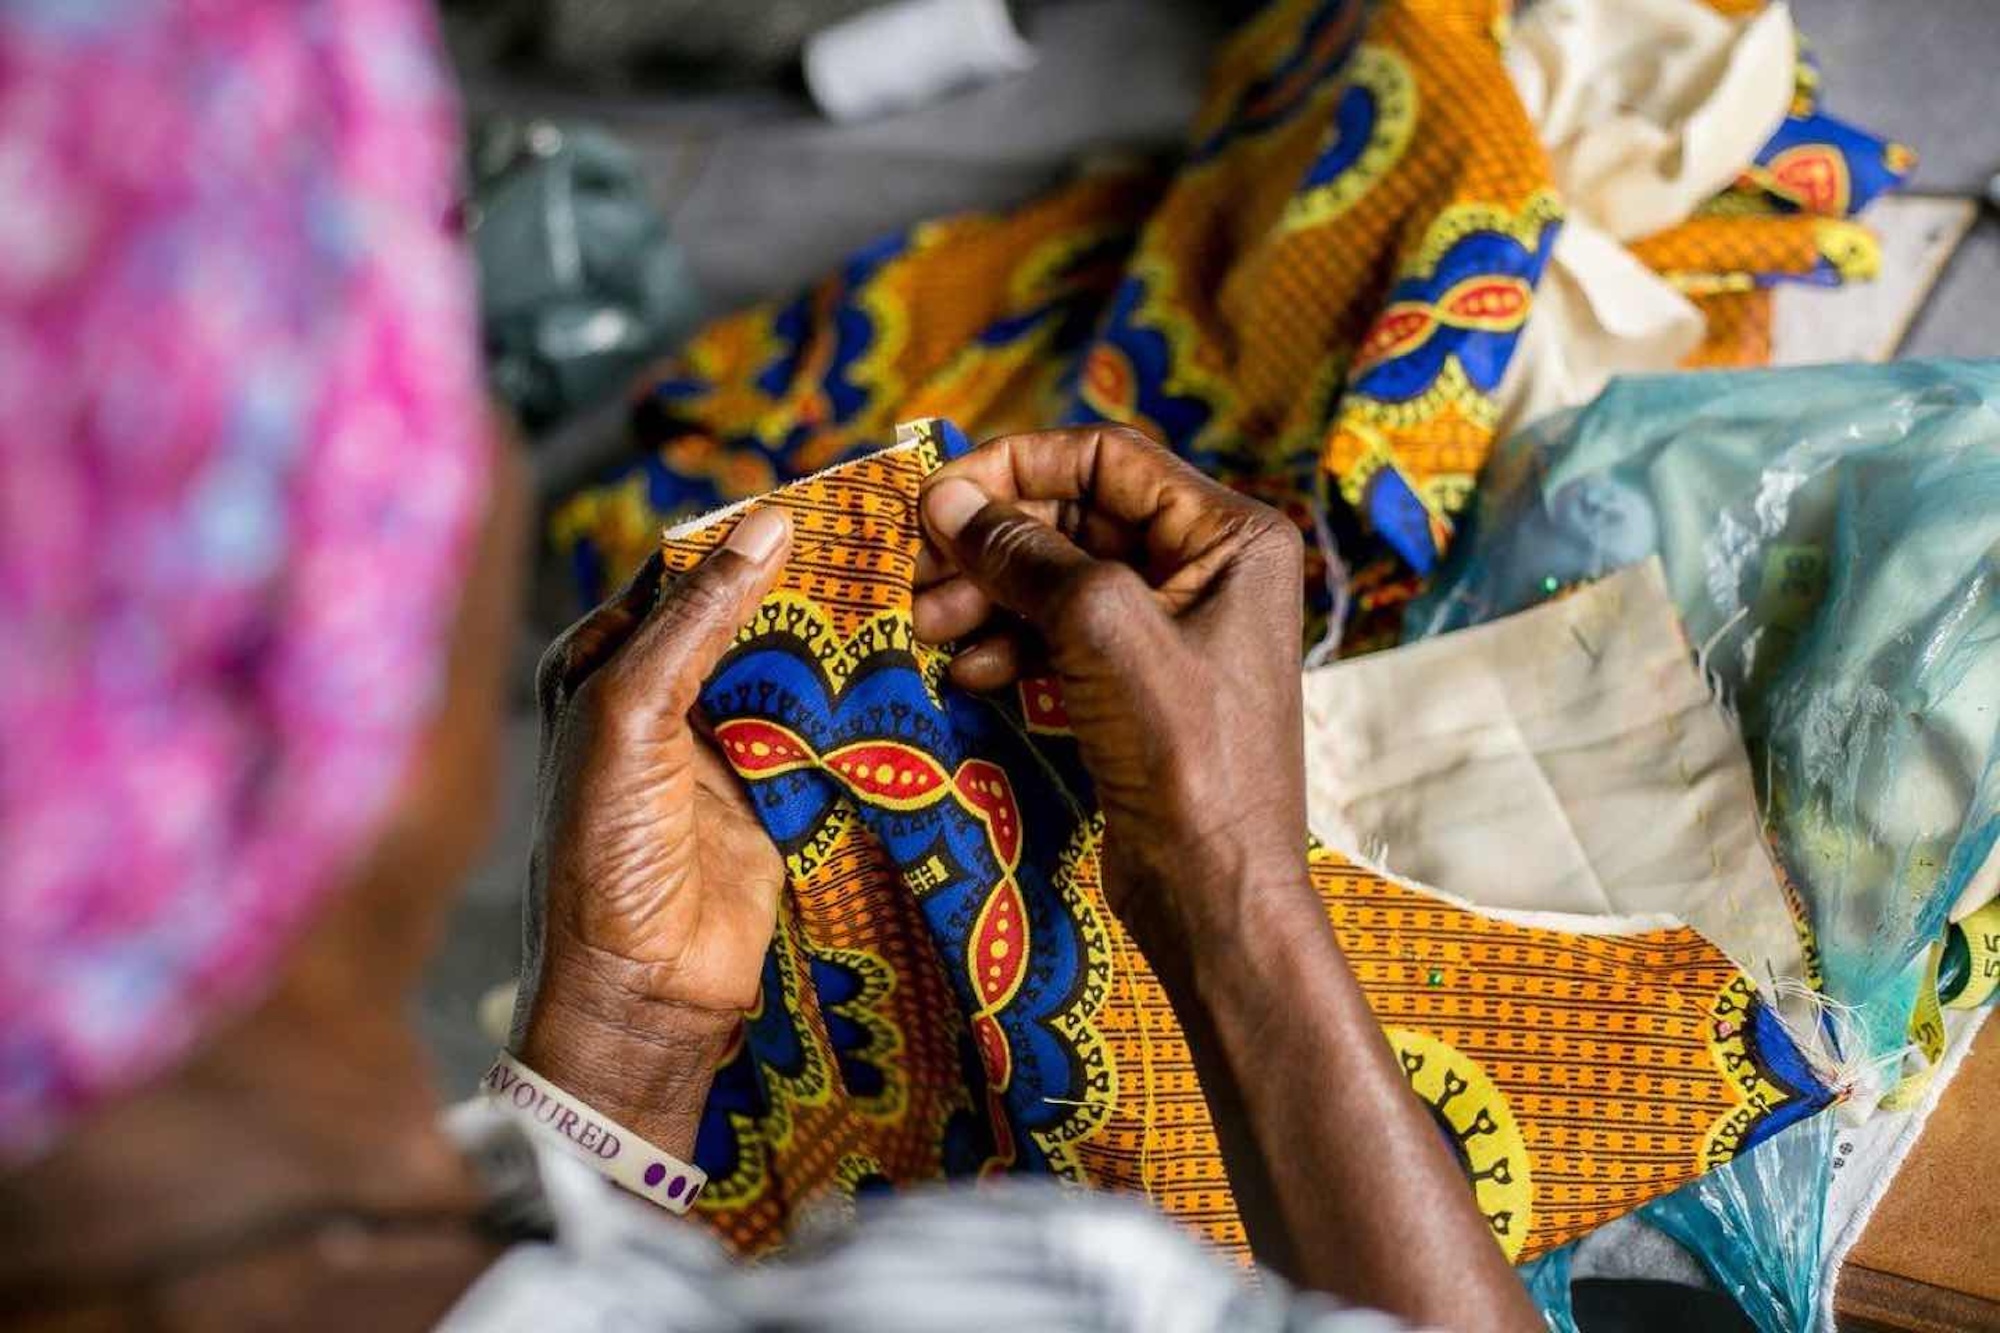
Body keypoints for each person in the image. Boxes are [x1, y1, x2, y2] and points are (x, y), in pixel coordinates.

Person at [0, 4, 1540, 1330]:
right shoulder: (1028, 1298)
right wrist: (1236, 889)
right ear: (319, 666)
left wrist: (623, 1049)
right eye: (447, 372)